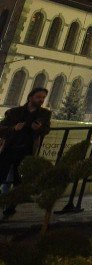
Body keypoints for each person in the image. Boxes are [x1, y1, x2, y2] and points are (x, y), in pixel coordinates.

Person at [0, 87, 51, 218]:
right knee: (2, 175)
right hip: (10, 148)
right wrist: (14, 128)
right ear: (30, 97)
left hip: (26, 151)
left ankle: (11, 207)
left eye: (43, 98)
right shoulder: (15, 112)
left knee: (18, 181)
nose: (41, 100)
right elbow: (2, 128)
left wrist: (38, 129)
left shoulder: (44, 114)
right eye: (38, 97)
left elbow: (46, 130)